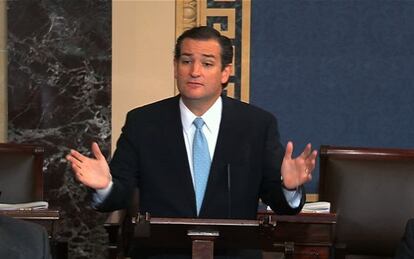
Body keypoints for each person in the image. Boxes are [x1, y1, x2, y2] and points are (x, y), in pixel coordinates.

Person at [66, 26, 317, 258]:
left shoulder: (256, 125)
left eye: (207, 63)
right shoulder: (143, 123)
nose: (194, 71)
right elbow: (119, 195)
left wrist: (289, 188)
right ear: (176, 67)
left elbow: (279, 202)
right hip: (161, 254)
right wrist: (104, 186)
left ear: (225, 72)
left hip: (233, 254)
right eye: (186, 61)